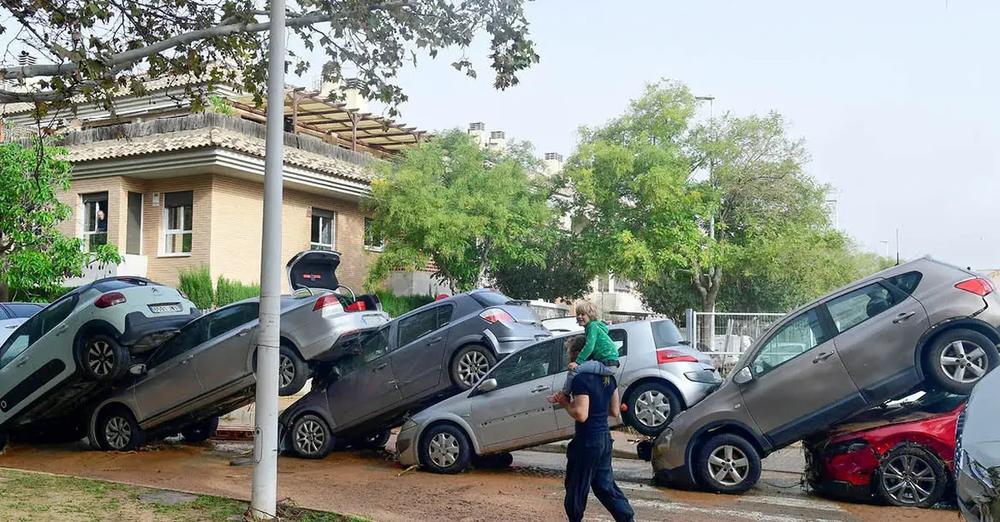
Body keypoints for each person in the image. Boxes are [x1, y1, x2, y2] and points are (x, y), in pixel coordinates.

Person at [550, 337, 634, 522]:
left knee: (576, 486)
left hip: (587, 440)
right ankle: (627, 518)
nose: (569, 357)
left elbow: (581, 414)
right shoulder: (608, 377)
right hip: (604, 438)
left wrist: (565, 403)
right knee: (604, 485)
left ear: (578, 354)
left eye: (570, 353)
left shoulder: (580, 379)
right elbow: (614, 411)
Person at [558, 300, 619, 397]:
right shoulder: (595, 326)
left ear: (590, 315)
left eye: (583, 314)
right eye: (578, 314)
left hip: (606, 363)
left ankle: (564, 395)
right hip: (611, 363)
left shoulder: (592, 326)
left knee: (574, 370)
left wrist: (577, 362)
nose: (579, 317)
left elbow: (589, 346)